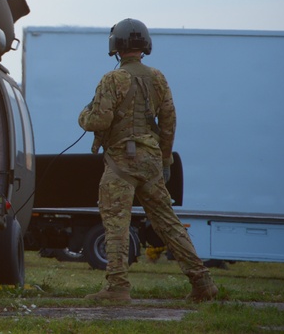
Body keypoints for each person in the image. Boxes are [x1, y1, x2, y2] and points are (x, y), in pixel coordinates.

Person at [78, 18, 217, 303]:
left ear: (116, 46)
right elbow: (169, 120)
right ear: (145, 46)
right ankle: (203, 283)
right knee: (168, 222)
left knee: (116, 223)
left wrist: (83, 116)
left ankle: (117, 287)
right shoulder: (158, 78)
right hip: (152, 162)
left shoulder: (113, 79)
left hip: (120, 163)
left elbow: (99, 119)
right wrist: (165, 159)